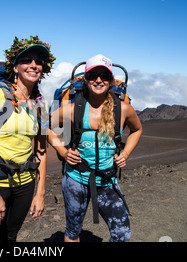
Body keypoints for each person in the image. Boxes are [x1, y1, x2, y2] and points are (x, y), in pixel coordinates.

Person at [0, 36, 55, 242]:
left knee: (10, 237)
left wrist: (40, 193)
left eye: (39, 61)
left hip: (26, 184)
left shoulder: (40, 106)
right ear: (15, 67)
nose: (33, 65)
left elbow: (41, 151)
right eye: (26, 60)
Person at [49, 54, 142, 242]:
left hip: (107, 181)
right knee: (73, 232)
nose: (98, 79)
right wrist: (62, 151)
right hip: (76, 179)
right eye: (93, 75)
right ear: (85, 79)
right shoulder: (72, 109)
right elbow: (46, 127)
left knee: (122, 234)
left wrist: (125, 153)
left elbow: (137, 130)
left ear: (110, 81)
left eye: (104, 75)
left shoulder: (123, 109)